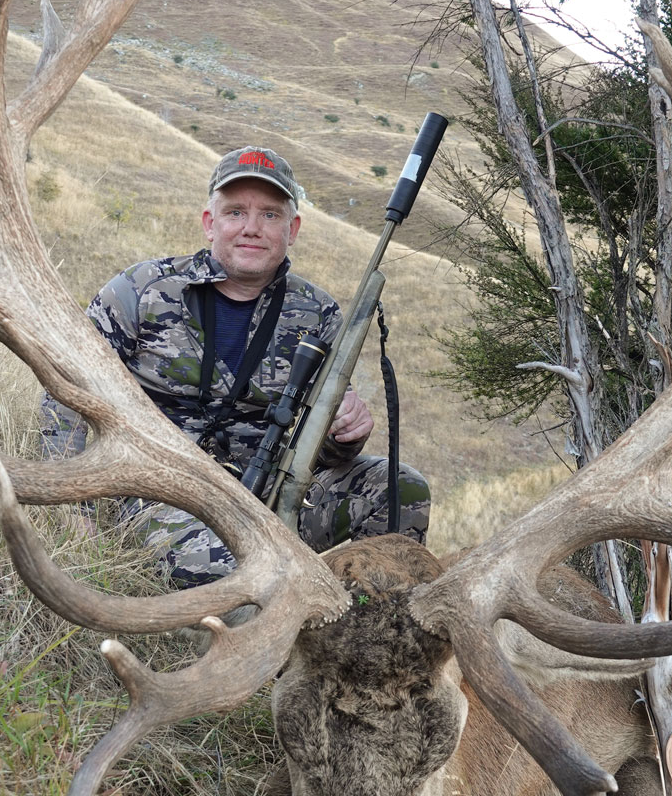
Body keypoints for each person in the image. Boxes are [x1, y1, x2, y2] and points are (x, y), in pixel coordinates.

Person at [40, 146, 431, 587]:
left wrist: (346, 435)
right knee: (237, 570)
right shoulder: (138, 291)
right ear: (210, 223)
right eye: (235, 213)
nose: (251, 228)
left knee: (400, 488)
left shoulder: (318, 314)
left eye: (269, 215)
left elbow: (315, 454)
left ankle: (367, 630)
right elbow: (66, 394)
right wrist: (73, 508)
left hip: (268, 498)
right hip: (155, 495)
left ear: (292, 229)